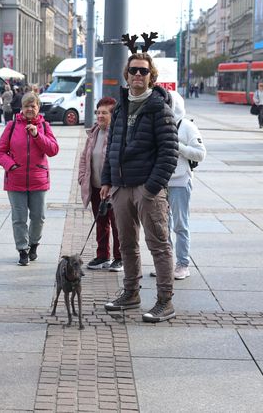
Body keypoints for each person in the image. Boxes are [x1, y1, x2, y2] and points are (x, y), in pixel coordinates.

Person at [100, 52, 178, 323]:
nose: (137, 75)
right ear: (127, 74)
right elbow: (112, 145)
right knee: (127, 245)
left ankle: (164, 302)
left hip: (147, 189)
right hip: (121, 187)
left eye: (143, 71)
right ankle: (131, 293)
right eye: (133, 70)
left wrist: (151, 187)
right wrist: (108, 180)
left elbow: (169, 153)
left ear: (151, 76)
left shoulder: (159, 108)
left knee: (158, 244)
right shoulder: (120, 107)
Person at [0, 92, 60, 266]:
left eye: (33, 106)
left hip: (38, 179)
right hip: (15, 180)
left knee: (39, 217)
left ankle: (33, 245)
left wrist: (37, 135)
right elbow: (0, 152)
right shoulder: (12, 125)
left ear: (38, 108)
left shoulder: (44, 126)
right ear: (21, 108)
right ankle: (22, 250)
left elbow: (53, 150)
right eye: (26, 106)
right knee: (19, 218)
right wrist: (11, 165)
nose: (29, 109)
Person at [163, 91, 206, 280]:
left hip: (180, 181)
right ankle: (165, 262)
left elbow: (200, 154)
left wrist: (178, 147)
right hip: (161, 181)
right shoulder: (159, 125)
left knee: (180, 225)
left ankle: (182, 263)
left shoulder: (187, 126)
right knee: (162, 225)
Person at [78, 97, 122, 272]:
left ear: (113, 115)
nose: (100, 116)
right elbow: (84, 158)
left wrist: (111, 183)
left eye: (105, 112)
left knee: (117, 224)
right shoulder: (94, 133)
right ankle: (103, 255)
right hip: (95, 186)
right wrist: (83, 178)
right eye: (98, 112)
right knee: (100, 221)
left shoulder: (117, 134)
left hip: (113, 188)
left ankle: (119, 258)